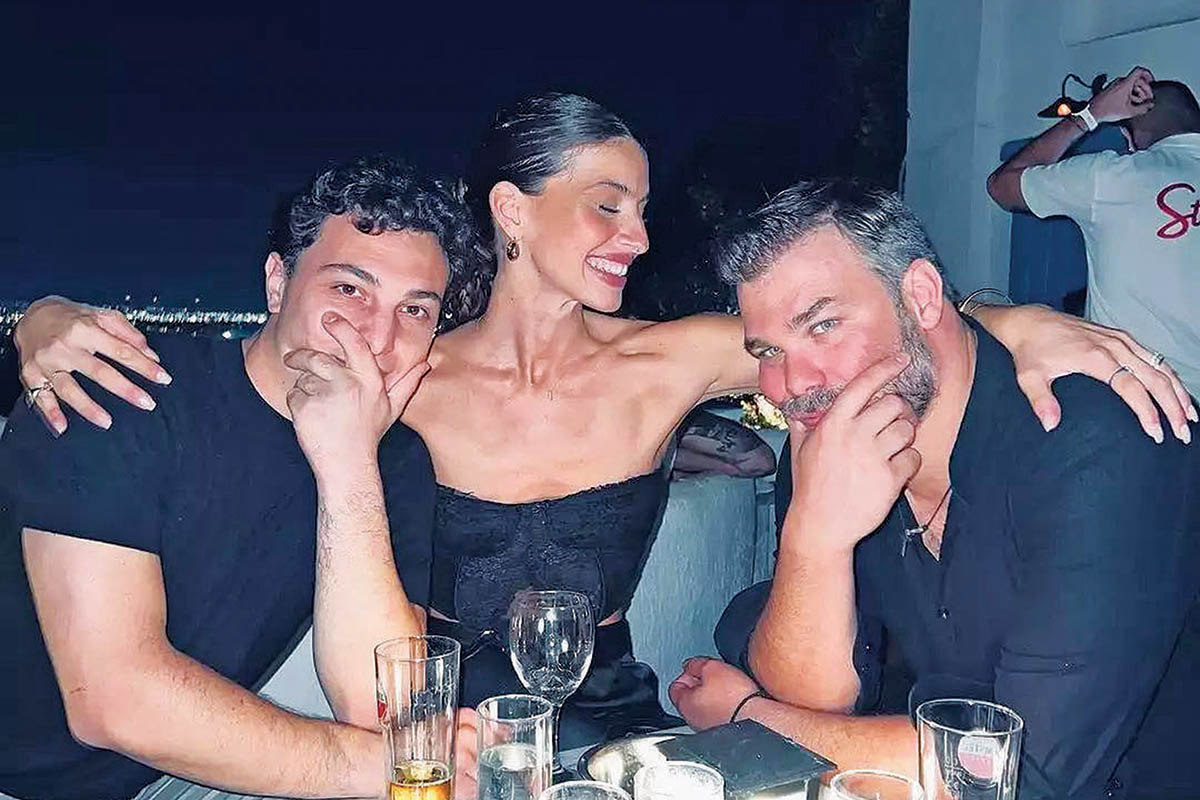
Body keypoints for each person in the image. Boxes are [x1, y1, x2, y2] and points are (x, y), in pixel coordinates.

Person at [15, 92, 1196, 749]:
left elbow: (848, 327)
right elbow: (268, 383)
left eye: (641, 204)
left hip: (621, 728)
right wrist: (40, 327)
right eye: (606, 204)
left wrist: (1019, 320)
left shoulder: (669, 356)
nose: (638, 233)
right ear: (511, 213)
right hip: (453, 732)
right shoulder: (402, 369)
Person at [668, 180, 1199, 800]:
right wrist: (813, 539)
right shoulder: (832, 443)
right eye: (768, 351)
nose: (792, 385)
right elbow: (816, 701)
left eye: (824, 325)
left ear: (920, 296)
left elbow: (1021, 777)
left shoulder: (1096, 441)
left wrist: (746, 719)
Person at [0, 156, 485, 800]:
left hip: (178, 778)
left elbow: (379, 706)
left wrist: (348, 462)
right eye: (349, 290)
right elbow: (112, 701)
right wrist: (373, 768)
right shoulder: (119, 392)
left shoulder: (393, 460)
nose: (377, 335)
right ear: (278, 284)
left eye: (416, 310)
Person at [988, 66, 1200, 396]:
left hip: (1148, 405)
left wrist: (1091, 114)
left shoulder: (1114, 176)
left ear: (1129, 137)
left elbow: (1002, 186)